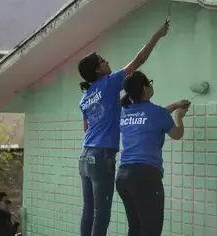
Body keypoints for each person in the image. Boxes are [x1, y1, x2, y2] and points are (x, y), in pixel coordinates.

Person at [78, 21, 169, 236]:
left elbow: (86, 128)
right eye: (102, 60)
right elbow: (139, 60)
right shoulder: (109, 83)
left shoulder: (85, 97)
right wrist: (157, 35)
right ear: (99, 70)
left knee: (88, 213)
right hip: (102, 157)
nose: (106, 61)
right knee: (102, 216)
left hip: (85, 157)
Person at [116, 71, 190, 236]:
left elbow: (151, 116)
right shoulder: (156, 113)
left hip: (123, 177)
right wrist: (178, 115)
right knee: (151, 230)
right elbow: (177, 134)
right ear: (145, 87)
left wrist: (174, 105)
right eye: (149, 82)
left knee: (135, 229)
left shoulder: (125, 111)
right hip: (145, 178)